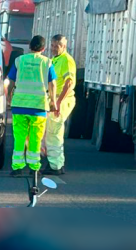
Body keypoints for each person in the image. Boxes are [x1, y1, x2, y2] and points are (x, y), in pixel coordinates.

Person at [5, 36, 57, 177]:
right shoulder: (47, 62)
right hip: (39, 107)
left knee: (20, 138)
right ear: (43, 48)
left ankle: (17, 168)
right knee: (35, 139)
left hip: (19, 106)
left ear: (29, 46)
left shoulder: (19, 61)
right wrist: (53, 101)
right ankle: (34, 168)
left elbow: (10, 80)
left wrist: (8, 96)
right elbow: (52, 83)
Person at [44, 34, 76, 175]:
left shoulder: (67, 60)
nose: (54, 48)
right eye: (52, 45)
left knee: (54, 132)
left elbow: (69, 83)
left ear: (64, 46)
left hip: (61, 100)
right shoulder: (55, 60)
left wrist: (58, 102)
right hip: (55, 99)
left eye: (57, 46)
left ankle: (55, 166)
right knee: (52, 132)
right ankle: (57, 163)